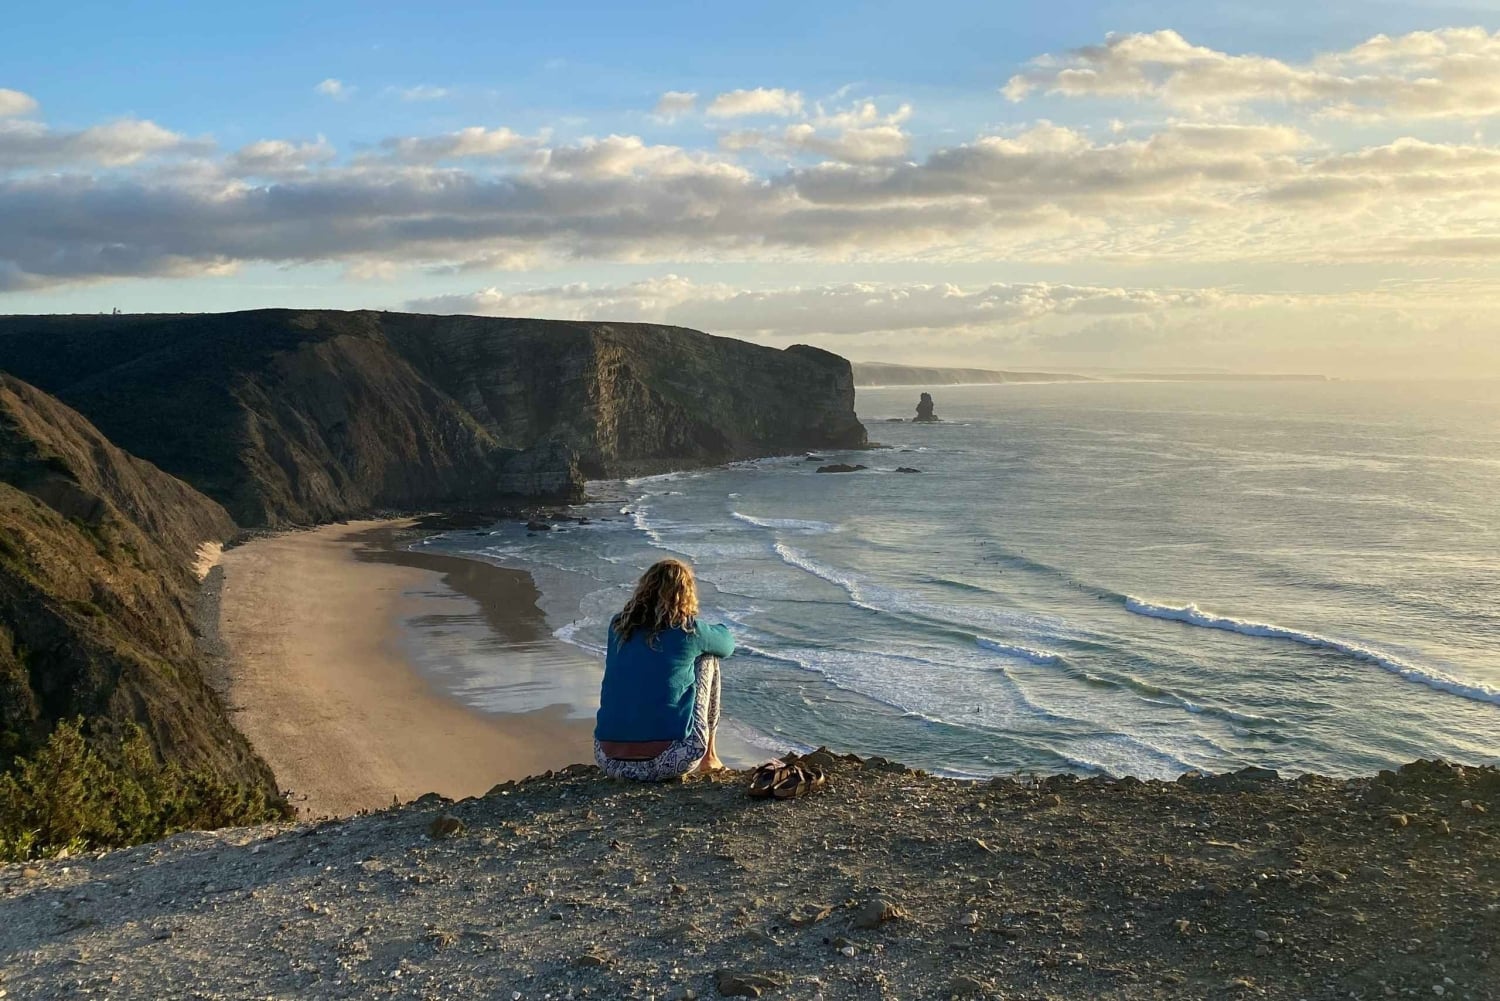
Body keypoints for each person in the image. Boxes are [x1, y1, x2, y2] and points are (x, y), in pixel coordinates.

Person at [594, 558, 735, 781]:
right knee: (708, 657)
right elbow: (727, 645)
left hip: (608, 760)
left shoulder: (618, 626)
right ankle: (710, 756)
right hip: (668, 762)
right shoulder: (688, 630)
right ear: (685, 593)